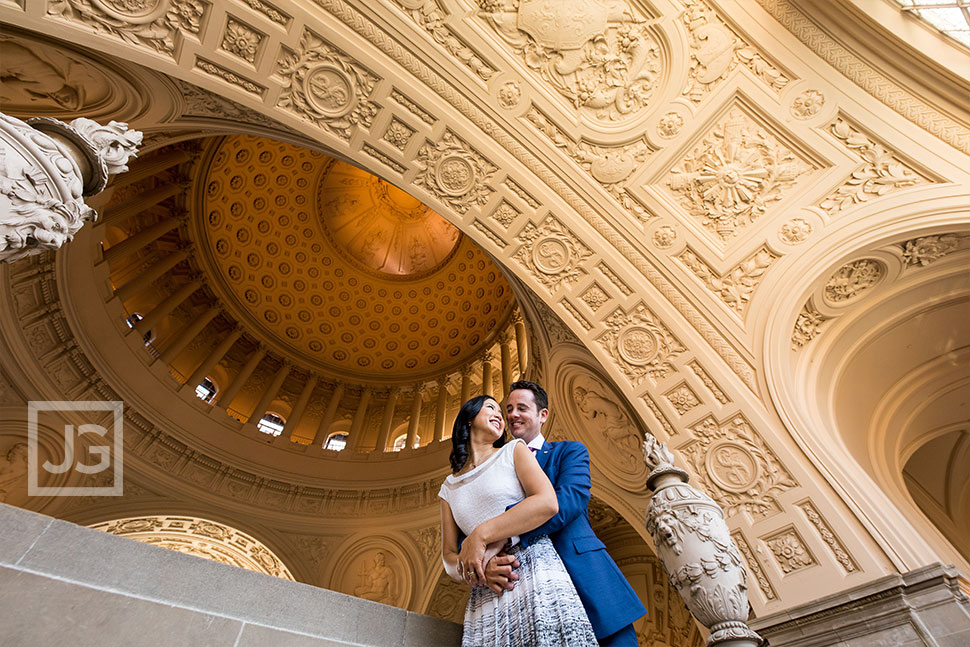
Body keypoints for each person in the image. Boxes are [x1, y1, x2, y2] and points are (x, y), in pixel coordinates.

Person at [486, 380, 646, 647]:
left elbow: (569, 502)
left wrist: (504, 534)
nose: (513, 415)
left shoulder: (569, 452)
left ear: (542, 415)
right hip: (527, 595)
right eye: (509, 408)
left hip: (587, 580)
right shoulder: (495, 470)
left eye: (522, 408)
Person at [438, 395, 597, 646]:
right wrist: (478, 572)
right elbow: (448, 556)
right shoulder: (448, 488)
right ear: (469, 420)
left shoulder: (514, 450)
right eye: (491, 407)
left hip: (532, 568)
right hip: (486, 590)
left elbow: (547, 502)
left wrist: (481, 535)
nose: (500, 415)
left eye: (501, 412)